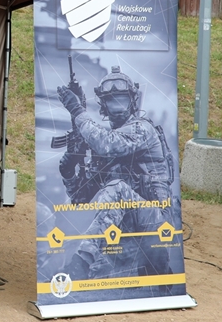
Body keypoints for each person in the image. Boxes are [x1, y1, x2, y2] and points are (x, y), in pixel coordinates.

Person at [56, 66, 177, 284]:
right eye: (112, 102)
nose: (118, 107)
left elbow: (107, 144)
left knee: (117, 188)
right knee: (93, 281)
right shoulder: (105, 146)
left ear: (133, 101)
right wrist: (69, 171)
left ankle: (80, 262)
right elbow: (81, 199)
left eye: (122, 100)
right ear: (104, 105)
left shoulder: (142, 129)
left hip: (157, 227)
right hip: (124, 236)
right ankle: (151, 273)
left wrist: (78, 111)